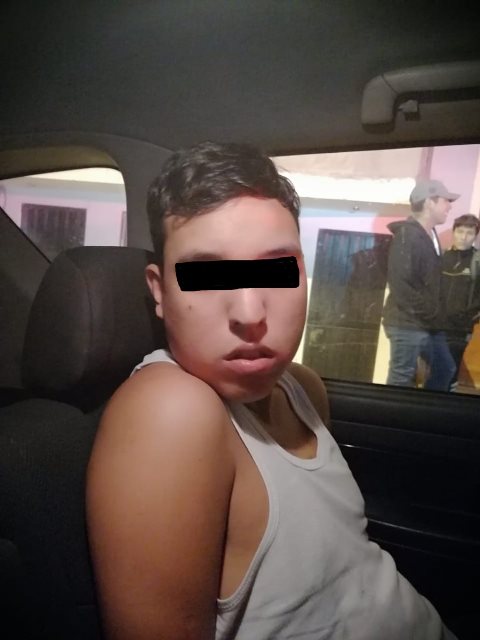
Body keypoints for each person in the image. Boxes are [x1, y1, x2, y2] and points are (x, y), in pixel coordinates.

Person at [86, 143, 457, 640]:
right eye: (206, 274)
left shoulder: (301, 388)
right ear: (159, 291)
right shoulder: (169, 412)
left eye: (277, 269)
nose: (250, 313)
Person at [383, 179, 458, 390]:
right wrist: (431, 313)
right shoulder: (407, 235)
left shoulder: (429, 235)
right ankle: (393, 413)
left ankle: (424, 410)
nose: (449, 206)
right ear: (429, 203)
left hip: (427, 323)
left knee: (445, 368)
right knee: (401, 379)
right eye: (445, 201)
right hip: (407, 322)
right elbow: (401, 286)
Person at [441, 213, 480, 390]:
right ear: (453, 232)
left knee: (452, 370)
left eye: (469, 233)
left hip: (461, 329)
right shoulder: (441, 257)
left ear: (475, 236)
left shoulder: (477, 261)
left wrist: (469, 317)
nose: (464, 237)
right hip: (436, 325)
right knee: (433, 370)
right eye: (460, 231)